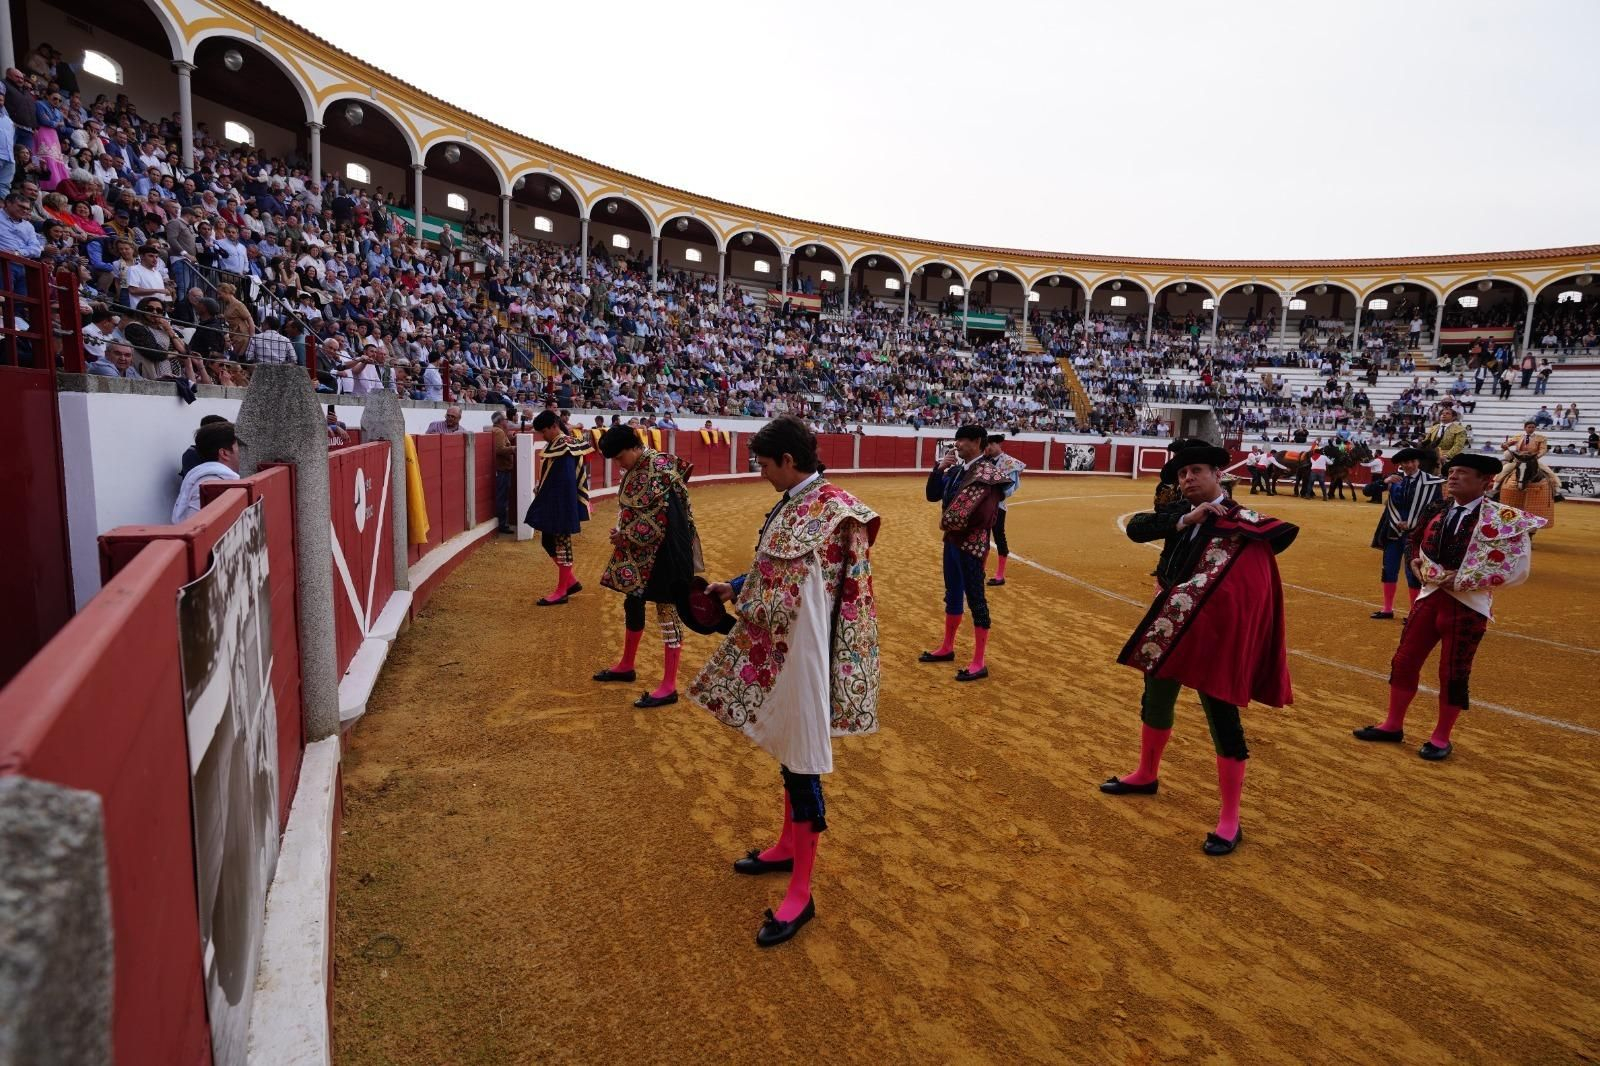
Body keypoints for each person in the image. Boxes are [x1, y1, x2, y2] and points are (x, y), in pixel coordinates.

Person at [687, 416, 881, 947]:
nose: (762, 473)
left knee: (802, 759)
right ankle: (787, 847)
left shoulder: (836, 511)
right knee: (788, 751)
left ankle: (802, 893)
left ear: (789, 462)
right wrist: (738, 586)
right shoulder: (805, 501)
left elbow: (830, 591)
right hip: (787, 644)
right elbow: (780, 567)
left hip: (808, 652)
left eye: (765, 464)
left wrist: (752, 600)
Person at [1102, 443, 1298, 856]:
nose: (1188, 478)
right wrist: (1184, 519)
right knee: (1154, 700)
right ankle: (1146, 773)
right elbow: (1138, 528)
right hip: (1172, 626)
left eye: (1196, 471)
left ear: (1217, 475)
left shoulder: (1244, 524)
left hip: (1212, 638)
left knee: (1222, 718)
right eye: (1181, 474)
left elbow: (1251, 594)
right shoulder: (1181, 515)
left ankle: (1230, 819)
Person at [1353, 454, 1546, 760]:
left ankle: (1441, 737)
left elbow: (1517, 568)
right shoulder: (1437, 510)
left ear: (1486, 481)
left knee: (1453, 672)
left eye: (1463, 473)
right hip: (1429, 599)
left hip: (1468, 605)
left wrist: (1468, 577)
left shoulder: (1503, 518)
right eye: (1451, 471)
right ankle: (1392, 724)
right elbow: (1414, 541)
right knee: (1404, 661)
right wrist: (1415, 561)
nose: (1453, 477)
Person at [592, 425, 701, 708]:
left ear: (633, 447)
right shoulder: (644, 465)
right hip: (643, 552)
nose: (619, 464)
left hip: (668, 552)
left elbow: (657, 523)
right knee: (634, 600)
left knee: (667, 611)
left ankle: (669, 685)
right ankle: (627, 665)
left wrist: (624, 536)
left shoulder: (658, 472)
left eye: (619, 458)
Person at [919, 424, 1009, 681]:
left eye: (963, 441)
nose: (957, 445)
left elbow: (985, 514)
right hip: (952, 541)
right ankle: (947, 647)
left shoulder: (990, 473)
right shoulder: (958, 471)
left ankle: (979, 661)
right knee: (952, 592)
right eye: (956, 440)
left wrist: (955, 523)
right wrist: (939, 470)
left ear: (978, 442)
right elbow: (932, 495)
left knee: (977, 598)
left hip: (972, 543)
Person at [524, 408, 592, 605]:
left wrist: (560, 508)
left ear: (554, 426)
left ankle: (562, 591)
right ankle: (570, 582)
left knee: (562, 546)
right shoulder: (560, 444)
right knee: (549, 542)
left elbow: (565, 482)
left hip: (561, 504)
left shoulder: (563, 445)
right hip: (556, 502)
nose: (543, 437)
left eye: (544, 432)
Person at [1369, 447, 1442, 619]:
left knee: (1413, 572)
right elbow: (1368, 491)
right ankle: (1387, 609)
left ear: (1418, 462)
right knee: (1389, 568)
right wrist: (1384, 481)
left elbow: (1438, 508)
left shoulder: (1432, 482)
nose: (1409, 465)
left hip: (1416, 533)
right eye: (1405, 462)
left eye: (1412, 461)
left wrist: (1414, 522)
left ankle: (1413, 613)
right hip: (1393, 530)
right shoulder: (1395, 479)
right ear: (1401, 464)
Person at [172, 420, 242, 522]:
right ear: (224, 453)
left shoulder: (215, 479)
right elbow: (194, 526)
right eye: (240, 446)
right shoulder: (211, 484)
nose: (245, 451)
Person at [982, 433, 1024, 587]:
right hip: (982, 506)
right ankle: (981, 570)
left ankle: (1000, 575)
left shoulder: (1009, 463)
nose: (989, 448)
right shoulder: (985, 461)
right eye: (987, 445)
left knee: (999, 536)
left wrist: (993, 495)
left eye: (991, 444)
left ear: (999, 445)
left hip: (998, 506)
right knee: (983, 537)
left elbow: (1010, 489)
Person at [489, 411, 515, 533]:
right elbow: (499, 450)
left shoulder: (497, 431)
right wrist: (513, 448)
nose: (507, 421)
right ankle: (502, 524)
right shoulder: (499, 432)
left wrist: (509, 439)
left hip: (502, 468)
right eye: (505, 419)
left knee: (502, 496)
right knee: (502, 497)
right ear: (500, 421)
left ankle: (502, 523)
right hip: (502, 469)